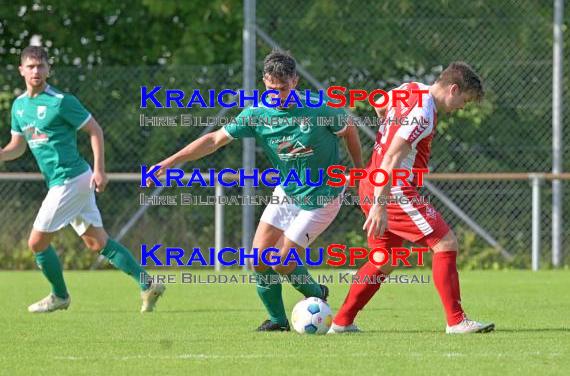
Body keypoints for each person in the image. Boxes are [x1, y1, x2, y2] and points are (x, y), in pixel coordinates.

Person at [148, 49, 363, 331]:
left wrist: (360, 174)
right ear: (264, 81)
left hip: (322, 197)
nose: (277, 94)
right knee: (259, 258)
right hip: (287, 192)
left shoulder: (320, 109)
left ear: (295, 82)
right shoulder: (258, 114)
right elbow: (214, 140)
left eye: (283, 88)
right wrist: (169, 162)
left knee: (283, 262)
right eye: (271, 88)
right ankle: (278, 321)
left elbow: (350, 132)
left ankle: (316, 293)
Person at [329, 62, 495, 334]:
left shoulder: (410, 89)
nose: (461, 108)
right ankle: (456, 321)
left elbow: (380, 104)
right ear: (453, 89)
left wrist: (389, 127)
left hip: (371, 182)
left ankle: (342, 322)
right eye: (463, 101)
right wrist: (381, 206)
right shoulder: (423, 113)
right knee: (445, 243)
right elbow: (393, 157)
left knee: (384, 259)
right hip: (392, 190)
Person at [0, 46, 165, 313]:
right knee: (97, 243)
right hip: (64, 181)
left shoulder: (61, 101)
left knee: (36, 243)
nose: (36, 71)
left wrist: (100, 169)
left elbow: (94, 129)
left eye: (41, 66)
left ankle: (60, 296)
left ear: (48, 70)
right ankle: (148, 283)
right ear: (21, 70)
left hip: (71, 179)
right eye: (30, 66)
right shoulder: (19, 106)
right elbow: (17, 147)